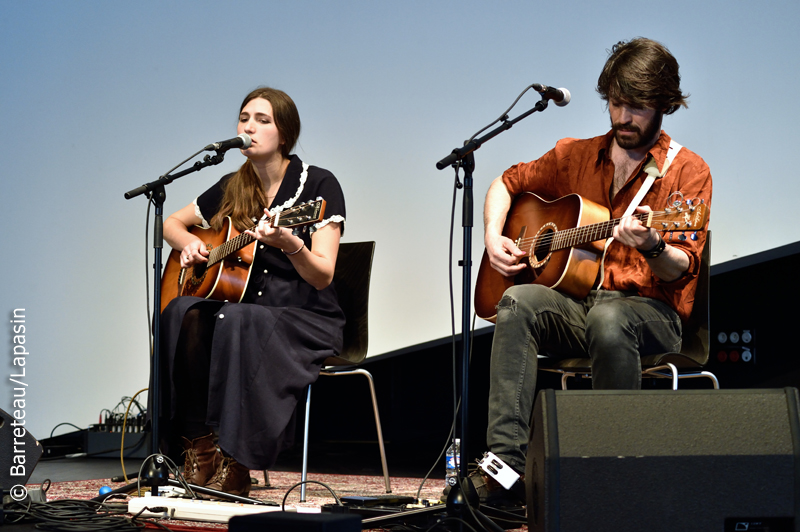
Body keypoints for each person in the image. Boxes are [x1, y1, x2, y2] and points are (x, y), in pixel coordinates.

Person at [476, 38, 712, 506]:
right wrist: (492, 235)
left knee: (611, 319)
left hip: (651, 314)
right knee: (517, 301)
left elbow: (681, 266)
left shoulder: (688, 170)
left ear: (664, 105)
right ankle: (504, 470)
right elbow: (505, 183)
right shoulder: (574, 156)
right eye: (615, 102)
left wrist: (652, 243)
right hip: (581, 306)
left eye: (637, 107)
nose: (623, 117)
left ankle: (611, 472)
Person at [157, 87, 346, 496]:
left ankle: (237, 459)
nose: (250, 127)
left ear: (286, 133)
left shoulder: (317, 183)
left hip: (304, 314)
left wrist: (291, 243)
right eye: (245, 118)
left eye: (263, 120)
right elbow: (171, 222)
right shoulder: (233, 185)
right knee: (181, 311)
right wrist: (186, 244)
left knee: (233, 318)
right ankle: (198, 448)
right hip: (245, 308)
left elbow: (322, 276)